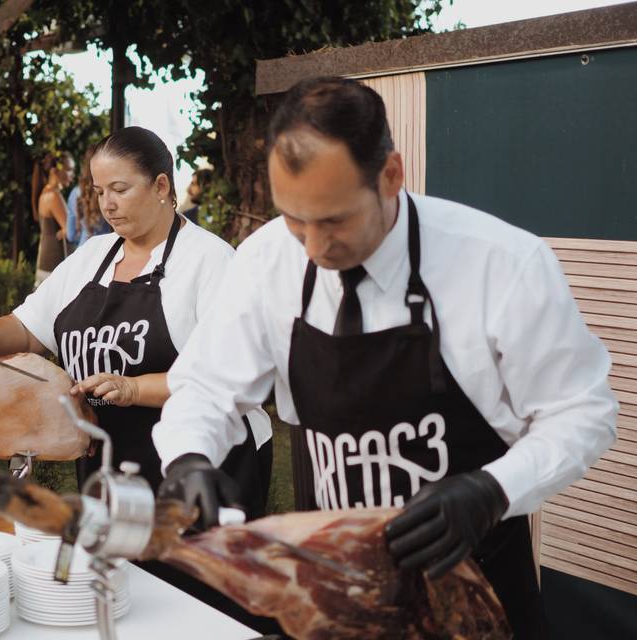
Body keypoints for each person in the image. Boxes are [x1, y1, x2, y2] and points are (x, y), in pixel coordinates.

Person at [154, 77, 617, 639]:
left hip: (474, 587)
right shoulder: (265, 261)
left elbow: (582, 413)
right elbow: (205, 386)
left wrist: (493, 489)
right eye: (295, 220)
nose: (315, 249)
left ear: (391, 175)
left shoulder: (502, 263)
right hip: (337, 582)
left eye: (335, 220)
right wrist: (187, 459)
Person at [0, 126, 272, 510]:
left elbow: (227, 377)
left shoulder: (209, 261)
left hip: (202, 471)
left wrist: (134, 389)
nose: (107, 205)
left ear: (160, 186)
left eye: (119, 190)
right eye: (99, 192)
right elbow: (27, 328)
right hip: (109, 471)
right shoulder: (91, 257)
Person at [33, 152, 75, 285]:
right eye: (69, 170)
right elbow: (71, 231)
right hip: (53, 265)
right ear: (55, 171)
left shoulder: (46, 192)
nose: (72, 175)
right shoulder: (53, 196)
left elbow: (66, 229)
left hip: (47, 264)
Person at [66, 148, 112, 248]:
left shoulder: (75, 193)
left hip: (83, 252)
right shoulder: (111, 192)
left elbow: (70, 235)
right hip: (108, 249)